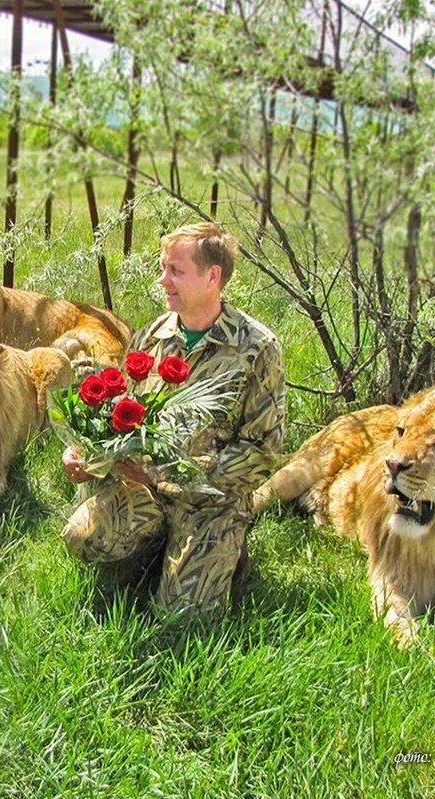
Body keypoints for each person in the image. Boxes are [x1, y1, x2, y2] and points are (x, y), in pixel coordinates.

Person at [60, 221, 286, 618]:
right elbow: (120, 417)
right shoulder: (151, 337)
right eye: (163, 268)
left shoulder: (256, 347)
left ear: (212, 276)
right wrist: (85, 454)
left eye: (176, 271)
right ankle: (153, 551)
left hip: (209, 503)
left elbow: (264, 452)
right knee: (84, 537)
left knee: (184, 614)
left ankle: (221, 550)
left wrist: (171, 475)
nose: (163, 280)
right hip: (143, 489)